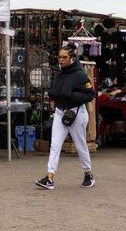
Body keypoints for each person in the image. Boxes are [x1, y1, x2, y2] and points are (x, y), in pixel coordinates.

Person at [36, 46, 96, 190]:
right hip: (60, 112)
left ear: (71, 58)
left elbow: (90, 94)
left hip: (76, 113)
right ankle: (50, 178)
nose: (61, 60)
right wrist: (53, 93)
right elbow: (56, 90)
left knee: (80, 145)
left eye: (64, 57)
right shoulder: (58, 73)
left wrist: (71, 96)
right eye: (59, 57)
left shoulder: (80, 75)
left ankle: (88, 174)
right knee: (55, 145)